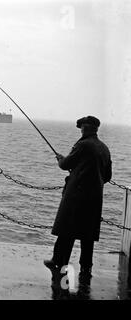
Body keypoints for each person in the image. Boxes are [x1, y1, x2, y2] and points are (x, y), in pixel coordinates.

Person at [44, 116, 112, 280]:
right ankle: (86, 267)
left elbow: (66, 164)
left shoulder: (83, 145)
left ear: (86, 128)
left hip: (76, 196)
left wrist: (61, 160)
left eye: (82, 128)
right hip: (94, 198)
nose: (81, 130)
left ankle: (58, 262)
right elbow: (107, 176)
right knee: (87, 234)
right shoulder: (104, 148)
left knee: (67, 230)